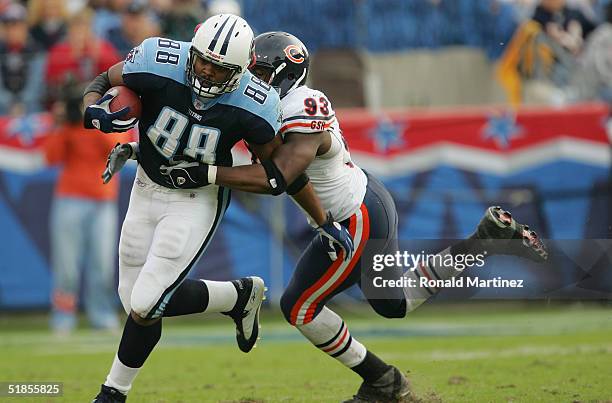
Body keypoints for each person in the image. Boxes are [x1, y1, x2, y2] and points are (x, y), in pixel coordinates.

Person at [106, 32, 549, 402]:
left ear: (283, 74)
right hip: (359, 201)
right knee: (392, 303)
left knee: (299, 306)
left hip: (352, 215)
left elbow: (278, 176)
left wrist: (204, 173)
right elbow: (205, 137)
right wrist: (144, 151)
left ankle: (381, 381)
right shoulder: (251, 100)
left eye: (258, 72)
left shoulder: (301, 105)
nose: (247, 80)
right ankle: (484, 242)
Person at [82, 15, 353, 402]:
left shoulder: (254, 105)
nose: (207, 72)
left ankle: (112, 393)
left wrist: (321, 218)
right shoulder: (158, 60)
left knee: (145, 303)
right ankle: (238, 297)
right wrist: (93, 111)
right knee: (133, 300)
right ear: (192, 51)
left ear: (240, 70)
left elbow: (276, 174)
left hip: (195, 199)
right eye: (203, 60)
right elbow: (103, 81)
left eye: (220, 67)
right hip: (146, 186)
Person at [43, 80, 129, 334]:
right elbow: (51, 157)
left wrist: (93, 119)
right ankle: (63, 314)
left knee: (102, 264)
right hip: (69, 199)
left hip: (102, 202)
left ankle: (101, 313)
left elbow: (115, 147)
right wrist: (60, 124)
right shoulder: (67, 125)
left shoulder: (107, 118)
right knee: (66, 265)